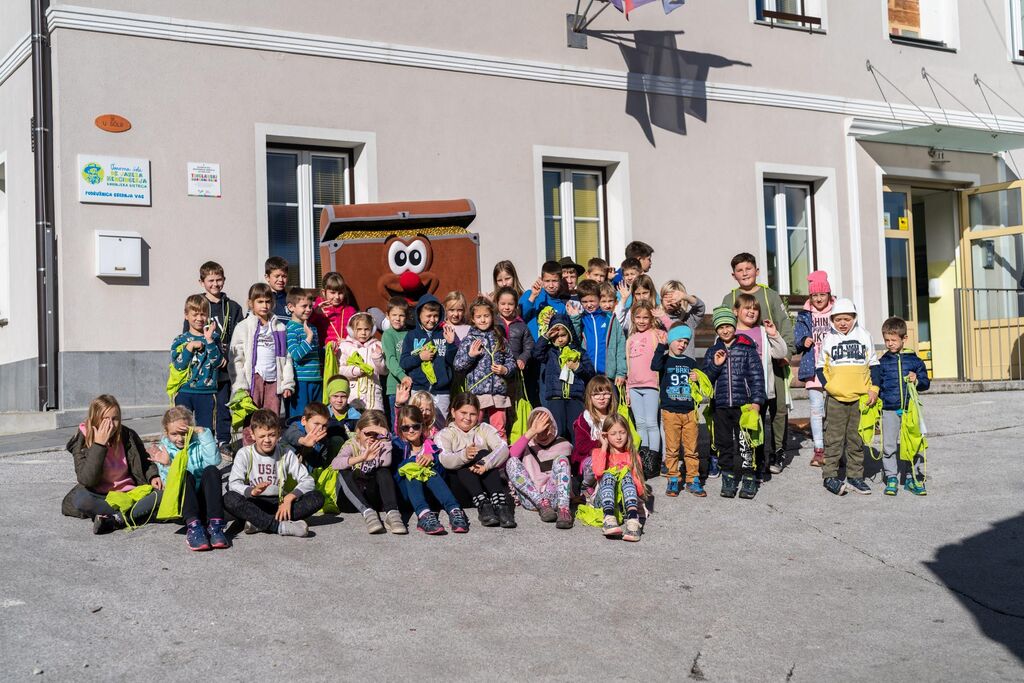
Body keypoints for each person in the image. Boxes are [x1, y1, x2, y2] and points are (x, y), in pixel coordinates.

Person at [722, 253, 796, 472]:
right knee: (753, 410)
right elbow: (724, 327)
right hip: (744, 367)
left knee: (778, 409)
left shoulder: (769, 295)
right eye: (740, 270)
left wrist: (788, 352)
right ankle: (755, 454)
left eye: (748, 269)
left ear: (757, 270)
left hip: (774, 360)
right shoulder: (730, 298)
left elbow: (784, 324)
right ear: (733, 275)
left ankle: (778, 452)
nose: (745, 273)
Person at [62, 395, 163, 534]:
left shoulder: (128, 435)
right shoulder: (82, 440)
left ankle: (115, 519)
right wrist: (99, 445)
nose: (110, 424)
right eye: (105, 419)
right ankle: (134, 514)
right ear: (95, 419)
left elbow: (145, 461)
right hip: (101, 496)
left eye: (115, 419)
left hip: (129, 493)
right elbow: (87, 480)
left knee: (162, 494)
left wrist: (153, 476)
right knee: (81, 499)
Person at [223, 409, 323, 537]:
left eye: (271, 435)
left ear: (279, 433)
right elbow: (233, 484)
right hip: (253, 503)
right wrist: (251, 491)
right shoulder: (244, 453)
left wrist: (289, 498)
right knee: (229, 498)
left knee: (317, 497)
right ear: (252, 435)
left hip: (280, 503)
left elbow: (308, 481)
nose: (267, 440)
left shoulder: (285, 452)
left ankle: (258, 523)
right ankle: (280, 527)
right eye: (262, 436)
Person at [815, 298, 879, 496]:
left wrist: (874, 389)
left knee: (856, 439)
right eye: (838, 319)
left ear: (854, 318)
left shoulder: (865, 336)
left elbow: (874, 364)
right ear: (832, 320)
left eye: (847, 319)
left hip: (860, 398)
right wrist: (830, 387)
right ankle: (830, 476)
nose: (842, 323)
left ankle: (855, 477)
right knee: (833, 438)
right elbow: (820, 367)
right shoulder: (829, 339)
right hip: (836, 399)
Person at [704, 307, 766, 500]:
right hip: (721, 405)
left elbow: (757, 377)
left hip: (744, 405)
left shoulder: (747, 349)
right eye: (721, 327)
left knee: (746, 443)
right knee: (723, 443)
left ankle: (749, 477)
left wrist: (756, 402)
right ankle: (728, 477)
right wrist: (716, 365)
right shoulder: (713, 351)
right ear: (716, 330)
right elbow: (707, 380)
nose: (725, 330)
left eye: (728, 326)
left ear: (734, 326)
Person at [184, 261, 243, 457]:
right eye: (210, 280)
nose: (215, 284)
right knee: (205, 406)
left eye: (219, 280)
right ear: (202, 282)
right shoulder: (197, 304)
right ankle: (202, 440)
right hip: (203, 368)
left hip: (224, 366)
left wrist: (226, 357)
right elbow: (187, 335)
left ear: (224, 280)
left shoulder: (233, 307)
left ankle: (224, 441)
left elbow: (238, 337)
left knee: (224, 405)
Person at [148, 406, 227, 551]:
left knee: (212, 470)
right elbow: (170, 487)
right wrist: (168, 464)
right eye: (174, 434)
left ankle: (215, 526)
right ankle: (194, 528)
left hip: (203, 501)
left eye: (184, 433)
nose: (180, 438)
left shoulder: (198, 442)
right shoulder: (165, 450)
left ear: (191, 429)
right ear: (166, 432)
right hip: (185, 506)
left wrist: (203, 433)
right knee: (184, 475)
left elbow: (214, 461)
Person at [435, 393, 513, 528]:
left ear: (478, 414)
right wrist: (464, 455)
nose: (467, 418)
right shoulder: (444, 434)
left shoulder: (484, 428)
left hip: (486, 487)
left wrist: (485, 463)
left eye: (472, 414)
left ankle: (500, 504)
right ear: (453, 412)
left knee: (483, 453)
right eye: (463, 413)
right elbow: (444, 459)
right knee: (464, 461)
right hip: (461, 490)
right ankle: (482, 503)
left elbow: (503, 448)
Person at [733, 293, 789, 478]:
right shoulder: (730, 332)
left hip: (759, 389)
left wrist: (774, 334)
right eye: (747, 308)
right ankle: (746, 463)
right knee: (743, 430)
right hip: (739, 390)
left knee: (758, 428)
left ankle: (759, 463)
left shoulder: (763, 332)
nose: (751, 312)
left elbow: (780, 353)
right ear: (736, 311)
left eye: (755, 309)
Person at [873, 316, 930, 496]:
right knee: (889, 445)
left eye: (893, 340)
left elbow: (926, 383)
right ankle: (891, 477)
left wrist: (917, 379)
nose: (890, 344)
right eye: (886, 340)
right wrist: (878, 408)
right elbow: (878, 386)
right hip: (889, 410)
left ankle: (911, 478)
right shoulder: (882, 362)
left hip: (909, 409)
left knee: (911, 444)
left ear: (904, 338)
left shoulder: (914, 361)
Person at [393, 404, 469, 535]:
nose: (411, 430)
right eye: (405, 428)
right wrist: (414, 461)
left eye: (415, 426)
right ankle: (423, 515)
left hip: (431, 494)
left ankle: (454, 511)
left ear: (422, 426)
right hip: (408, 494)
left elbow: (442, 474)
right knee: (413, 469)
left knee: (429, 469)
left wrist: (432, 458)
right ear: (400, 429)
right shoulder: (397, 447)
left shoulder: (431, 446)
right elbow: (396, 475)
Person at [332, 410, 406, 535]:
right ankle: (368, 513)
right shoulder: (352, 444)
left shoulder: (382, 445)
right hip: (350, 501)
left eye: (376, 434)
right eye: (367, 433)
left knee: (383, 470)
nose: (372, 437)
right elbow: (335, 463)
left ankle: (392, 513)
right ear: (358, 431)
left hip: (372, 498)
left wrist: (385, 438)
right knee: (344, 472)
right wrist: (362, 458)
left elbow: (386, 462)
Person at [230, 283, 295, 419]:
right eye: (260, 302)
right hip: (253, 380)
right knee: (251, 420)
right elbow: (236, 360)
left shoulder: (280, 327)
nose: (264, 305)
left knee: (272, 419)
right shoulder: (243, 327)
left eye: (268, 301)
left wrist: (287, 383)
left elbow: (286, 358)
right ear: (251, 303)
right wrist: (241, 385)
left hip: (274, 379)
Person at [652, 323, 702, 498]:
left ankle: (693, 479)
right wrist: (661, 346)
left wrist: (697, 378)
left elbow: (700, 387)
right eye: (679, 340)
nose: (682, 345)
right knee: (672, 449)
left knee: (691, 449)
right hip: (670, 411)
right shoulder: (664, 360)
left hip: (689, 412)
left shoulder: (691, 363)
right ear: (671, 340)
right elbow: (654, 366)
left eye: (686, 342)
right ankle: (673, 478)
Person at [453, 297, 515, 438]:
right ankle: (473, 451)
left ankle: (501, 452)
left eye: (486, 316)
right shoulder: (469, 340)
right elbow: (458, 365)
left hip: (498, 393)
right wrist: (471, 355)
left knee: (499, 430)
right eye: (479, 317)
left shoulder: (500, 338)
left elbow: (511, 360)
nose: (483, 320)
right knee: (474, 429)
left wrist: (505, 369)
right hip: (478, 393)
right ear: (473, 319)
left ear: (492, 317)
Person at [506, 407, 574, 529]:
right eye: (539, 430)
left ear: (553, 426)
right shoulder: (527, 444)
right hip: (533, 499)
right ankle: (542, 504)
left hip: (554, 498)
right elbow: (512, 454)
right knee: (512, 461)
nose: (542, 433)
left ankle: (564, 510)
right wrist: (532, 432)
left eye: (546, 428)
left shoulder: (563, 444)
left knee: (562, 460)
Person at [532, 313, 594, 439]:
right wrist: (546, 336)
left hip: (575, 398)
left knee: (576, 431)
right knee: (557, 432)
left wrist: (577, 367)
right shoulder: (549, 352)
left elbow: (590, 374)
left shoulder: (579, 352)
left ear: (569, 333)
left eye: (563, 335)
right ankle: (560, 452)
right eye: (556, 337)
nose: (560, 339)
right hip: (555, 399)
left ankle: (576, 452)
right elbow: (536, 353)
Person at [794, 270, 834, 467]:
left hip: (835, 369)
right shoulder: (804, 315)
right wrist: (803, 340)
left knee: (834, 410)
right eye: (814, 295)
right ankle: (819, 449)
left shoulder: (838, 312)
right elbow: (796, 338)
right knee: (816, 409)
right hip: (813, 366)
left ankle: (835, 449)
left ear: (829, 294)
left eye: (822, 294)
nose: (818, 299)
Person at [400, 294, 459, 418]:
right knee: (418, 421)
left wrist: (451, 344)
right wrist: (420, 357)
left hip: (441, 391)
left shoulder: (445, 333)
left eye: (436, 316)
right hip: (419, 389)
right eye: (428, 316)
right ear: (419, 315)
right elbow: (404, 362)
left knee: (440, 423)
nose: (432, 320)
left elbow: (453, 361)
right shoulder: (411, 336)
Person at [170, 294, 222, 430]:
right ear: (186, 315)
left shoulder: (214, 337)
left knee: (205, 431)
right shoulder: (180, 340)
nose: (199, 318)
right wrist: (189, 347)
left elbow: (217, 362)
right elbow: (178, 365)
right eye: (195, 314)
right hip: (184, 391)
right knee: (181, 428)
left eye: (203, 314)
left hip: (207, 392)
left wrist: (209, 341)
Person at [592, 414, 646, 542]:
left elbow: (640, 488)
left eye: (622, 432)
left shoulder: (632, 455)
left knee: (626, 475)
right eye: (613, 433)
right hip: (603, 502)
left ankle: (633, 522)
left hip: (626, 503)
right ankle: (609, 519)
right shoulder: (598, 452)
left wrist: (629, 478)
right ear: (606, 435)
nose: (618, 437)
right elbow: (598, 472)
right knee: (609, 474)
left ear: (628, 433)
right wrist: (604, 446)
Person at [625, 301, 666, 471]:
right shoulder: (630, 339)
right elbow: (629, 368)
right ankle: (644, 457)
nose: (641, 321)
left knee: (651, 424)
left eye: (645, 317)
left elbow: (671, 334)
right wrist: (628, 390)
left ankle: (654, 460)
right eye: (638, 317)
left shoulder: (655, 334)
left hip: (651, 386)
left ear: (651, 318)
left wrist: (662, 316)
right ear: (633, 318)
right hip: (634, 387)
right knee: (640, 424)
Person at [570, 279, 627, 390]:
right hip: (586, 375)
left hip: (608, 375)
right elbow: (574, 341)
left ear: (599, 298)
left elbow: (620, 346)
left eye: (592, 301)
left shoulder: (610, 319)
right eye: (584, 302)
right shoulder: (580, 319)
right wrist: (575, 320)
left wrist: (621, 372)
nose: (589, 305)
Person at [336, 312, 386, 413]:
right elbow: (340, 370)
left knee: (374, 420)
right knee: (354, 420)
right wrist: (356, 370)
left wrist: (377, 357)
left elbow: (384, 371)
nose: (363, 333)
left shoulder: (377, 345)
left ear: (372, 330)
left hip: (373, 396)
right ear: (351, 330)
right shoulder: (345, 346)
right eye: (359, 329)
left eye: (366, 329)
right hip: (352, 396)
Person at [571, 376, 619, 482]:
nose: (601, 398)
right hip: (589, 458)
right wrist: (601, 444)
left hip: (612, 455)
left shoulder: (615, 418)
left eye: (605, 394)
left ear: (611, 395)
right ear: (590, 397)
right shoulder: (585, 419)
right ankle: (588, 486)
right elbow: (581, 445)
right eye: (596, 394)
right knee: (597, 462)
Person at [284, 287, 322, 421]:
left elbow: (316, 354)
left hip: (316, 379)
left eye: (310, 306)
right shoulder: (290, 328)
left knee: (316, 416)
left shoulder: (313, 328)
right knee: (300, 417)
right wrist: (309, 337)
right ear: (291, 307)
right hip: (301, 381)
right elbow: (295, 355)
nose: (308, 309)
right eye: (304, 306)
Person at [519, 260, 570, 340]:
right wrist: (533, 297)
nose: (551, 285)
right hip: (530, 344)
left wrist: (555, 322)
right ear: (541, 280)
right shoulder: (530, 294)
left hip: (549, 346)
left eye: (554, 281)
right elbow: (519, 316)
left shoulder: (562, 306)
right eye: (547, 281)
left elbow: (564, 331)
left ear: (560, 280)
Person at [381, 297, 413, 423]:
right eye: (394, 315)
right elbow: (390, 359)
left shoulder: (410, 334)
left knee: (411, 420)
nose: (397, 319)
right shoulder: (388, 335)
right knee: (398, 422)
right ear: (387, 315)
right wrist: (402, 376)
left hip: (412, 385)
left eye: (401, 315)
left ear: (407, 317)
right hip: (396, 386)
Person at [281, 402, 332, 471]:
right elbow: (292, 435)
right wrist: (304, 441)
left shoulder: (323, 441)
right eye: (316, 424)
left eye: (324, 425)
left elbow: (321, 462)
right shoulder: (295, 428)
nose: (320, 429)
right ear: (304, 421)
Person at [495, 287, 534, 378]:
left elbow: (529, 346)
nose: (506, 307)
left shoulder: (521, 326)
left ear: (516, 305)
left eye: (510, 304)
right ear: (497, 304)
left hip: (515, 370)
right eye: (503, 304)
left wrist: (523, 358)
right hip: (495, 369)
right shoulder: (493, 323)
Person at [659, 280, 705, 357]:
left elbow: (700, 308)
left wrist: (686, 297)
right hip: (667, 363)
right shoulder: (658, 320)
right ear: (661, 300)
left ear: (681, 300)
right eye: (666, 297)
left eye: (673, 298)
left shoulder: (689, 319)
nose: (669, 301)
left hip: (687, 363)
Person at [310, 271, 356, 348]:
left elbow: (357, 333)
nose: (337, 297)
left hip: (346, 351)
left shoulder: (350, 311)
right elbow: (306, 325)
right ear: (324, 292)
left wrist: (348, 341)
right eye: (333, 292)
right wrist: (314, 313)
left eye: (340, 293)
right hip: (324, 352)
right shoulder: (317, 309)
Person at [264, 256, 290, 323]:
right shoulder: (260, 300)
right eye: (277, 276)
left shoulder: (291, 300)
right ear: (267, 277)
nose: (281, 280)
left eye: (284, 276)